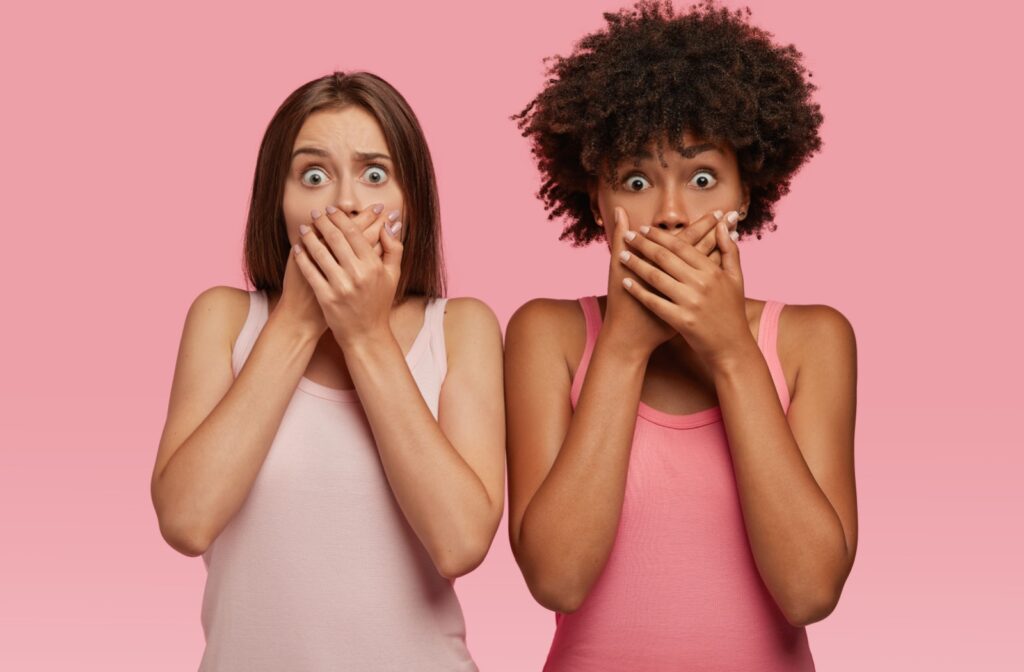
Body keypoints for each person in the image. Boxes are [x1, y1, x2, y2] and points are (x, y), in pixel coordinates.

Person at [505, 2, 858, 669]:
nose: (670, 214)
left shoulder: (811, 340)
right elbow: (557, 579)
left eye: (702, 179)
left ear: (744, 194)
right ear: (597, 201)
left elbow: (810, 591)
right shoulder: (547, 335)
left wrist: (730, 352)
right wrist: (624, 347)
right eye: (636, 181)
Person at [150, 71, 503, 671]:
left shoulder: (461, 327)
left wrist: (364, 334)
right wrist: (296, 321)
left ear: (411, 201)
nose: (344, 202)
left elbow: (461, 543)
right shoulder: (223, 320)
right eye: (313, 175)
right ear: (278, 202)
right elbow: (186, 522)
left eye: (375, 174)